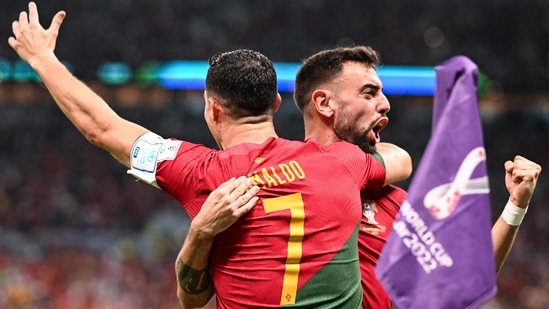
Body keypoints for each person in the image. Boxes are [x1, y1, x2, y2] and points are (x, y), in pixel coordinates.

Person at [8, 3, 412, 308]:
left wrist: (43, 59)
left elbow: (101, 126)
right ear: (274, 104)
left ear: (212, 109)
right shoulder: (341, 162)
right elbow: (398, 160)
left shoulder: (198, 171)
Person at [176, 46, 542, 309]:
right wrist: (200, 233)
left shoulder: (393, 202)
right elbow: (195, 294)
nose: (385, 104)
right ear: (324, 103)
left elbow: (465, 275)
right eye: (369, 93)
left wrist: (516, 206)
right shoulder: (255, 182)